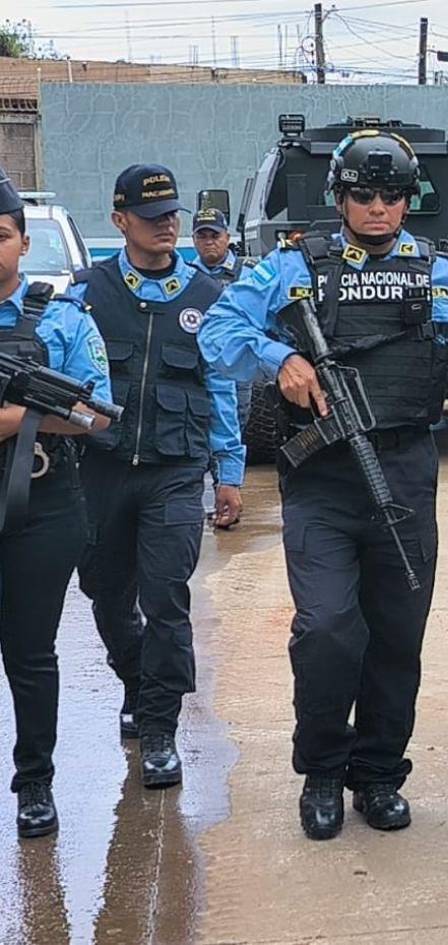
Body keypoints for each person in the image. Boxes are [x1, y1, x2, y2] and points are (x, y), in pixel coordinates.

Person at [198, 129, 448, 841]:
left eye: (392, 195)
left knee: (398, 633)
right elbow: (217, 332)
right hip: (322, 479)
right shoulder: (293, 267)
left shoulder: (437, 274)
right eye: (364, 194)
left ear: (408, 201)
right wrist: (279, 356)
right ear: (339, 198)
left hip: (404, 471)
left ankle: (377, 774)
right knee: (326, 630)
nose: (378, 207)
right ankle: (321, 770)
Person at [70, 164, 244, 790]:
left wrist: (229, 470)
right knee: (105, 591)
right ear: (120, 221)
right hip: (101, 467)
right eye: (151, 217)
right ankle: (137, 679)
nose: (166, 225)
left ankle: (160, 728)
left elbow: (221, 385)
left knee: (167, 598)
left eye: (171, 214)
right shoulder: (87, 293)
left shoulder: (206, 296)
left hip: (175, 469)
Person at [0, 167, 113, 838]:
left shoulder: (62, 317)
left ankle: (35, 782)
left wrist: (18, 419)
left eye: (1, 235)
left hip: (40, 506)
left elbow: (97, 414)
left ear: (23, 242)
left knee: (30, 651)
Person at [190, 207, 253, 523]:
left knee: (234, 424)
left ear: (227, 237)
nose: (209, 242)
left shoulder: (247, 274)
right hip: (200, 366)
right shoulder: (188, 277)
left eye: (214, 235)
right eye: (202, 236)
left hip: (237, 367)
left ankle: (226, 488)